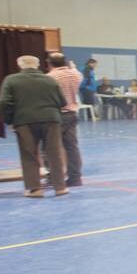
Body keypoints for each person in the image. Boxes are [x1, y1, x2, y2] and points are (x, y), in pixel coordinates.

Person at [0, 55, 68, 198]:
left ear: (20, 65)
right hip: (51, 119)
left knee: (29, 155)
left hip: (24, 120)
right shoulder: (50, 80)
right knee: (54, 154)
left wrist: (9, 120)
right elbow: (62, 101)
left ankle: (35, 189)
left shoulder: (11, 80)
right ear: (37, 65)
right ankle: (60, 187)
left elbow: (3, 102)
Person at [45, 53, 84, 186]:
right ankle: (75, 177)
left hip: (57, 115)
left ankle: (54, 177)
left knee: (50, 147)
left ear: (49, 63)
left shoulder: (50, 77)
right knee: (72, 147)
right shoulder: (76, 75)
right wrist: (72, 67)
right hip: (72, 113)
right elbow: (76, 71)